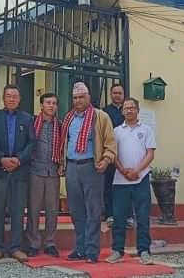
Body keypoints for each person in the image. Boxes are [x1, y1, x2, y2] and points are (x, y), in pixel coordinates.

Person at [61, 81, 117, 263]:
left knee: (93, 210)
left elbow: (111, 143)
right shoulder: (68, 118)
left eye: (81, 97)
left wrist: (106, 160)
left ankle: (92, 251)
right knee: (76, 211)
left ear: (88, 97)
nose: (78, 100)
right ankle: (80, 248)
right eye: (75, 98)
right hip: (72, 167)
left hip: (92, 167)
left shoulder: (101, 117)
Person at [105, 98, 156, 265]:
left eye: (132, 108)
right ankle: (117, 251)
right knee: (119, 218)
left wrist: (136, 171)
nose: (129, 110)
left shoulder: (147, 130)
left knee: (142, 217)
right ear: (122, 111)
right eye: (126, 108)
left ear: (137, 110)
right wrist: (122, 170)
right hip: (120, 181)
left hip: (141, 179)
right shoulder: (116, 131)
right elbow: (113, 154)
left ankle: (144, 251)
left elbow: (150, 154)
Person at [0, 84, 35, 263]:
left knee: (18, 211)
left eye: (15, 96)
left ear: (19, 99)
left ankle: (16, 247)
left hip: (19, 171)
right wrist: (1, 158)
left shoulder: (27, 118)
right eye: (8, 96)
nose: (11, 99)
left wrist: (18, 159)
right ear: (3, 98)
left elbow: (32, 143)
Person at [26, 92, 62, 258]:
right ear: (41, 105)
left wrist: (62, 165)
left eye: (54, 103)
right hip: (35, 171)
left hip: (53, 171)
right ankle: (33, 242)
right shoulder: (32, 123)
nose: (51, 106)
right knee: (33, 209)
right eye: (48, 103)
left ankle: (50, 243)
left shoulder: (60, 125)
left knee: (52, 210)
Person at [102, 84, 125, 227]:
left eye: (120, 93)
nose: (117, 95)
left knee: (125, 186)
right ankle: (109, 214)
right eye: (115, 93)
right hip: (110, 154)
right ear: (111, 94)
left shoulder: (128, 110)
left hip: (125, 154)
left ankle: (127, 215)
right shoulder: (105, 112)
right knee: (109, 185)